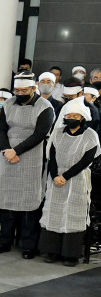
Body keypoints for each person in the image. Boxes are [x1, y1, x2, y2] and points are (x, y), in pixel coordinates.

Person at [0, 71, 54, 259]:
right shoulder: (8, 104)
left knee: (28, 203)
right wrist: (7, 149)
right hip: (7, 155)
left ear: (33, 89)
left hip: (30, 157)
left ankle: (29, 245)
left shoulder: (45, 107)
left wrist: (16, 151)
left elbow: (40, 134)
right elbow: (1, 129)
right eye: (16, 90)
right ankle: (5, 241)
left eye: (23, 90)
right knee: (7, 201)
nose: (19, 94)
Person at [40, 97, 100, 266]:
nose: (71, 118)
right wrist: (55, 176)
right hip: (56, 179)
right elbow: (51, 157)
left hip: (76, 180)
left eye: (75, 115)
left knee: (73, 215)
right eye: (69, 115)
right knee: (54, 213)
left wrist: (65, 176)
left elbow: (86, 160)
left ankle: (70, 255)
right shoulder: (58, 133)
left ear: (82, 118)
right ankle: (52, 252)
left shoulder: (90, 136)